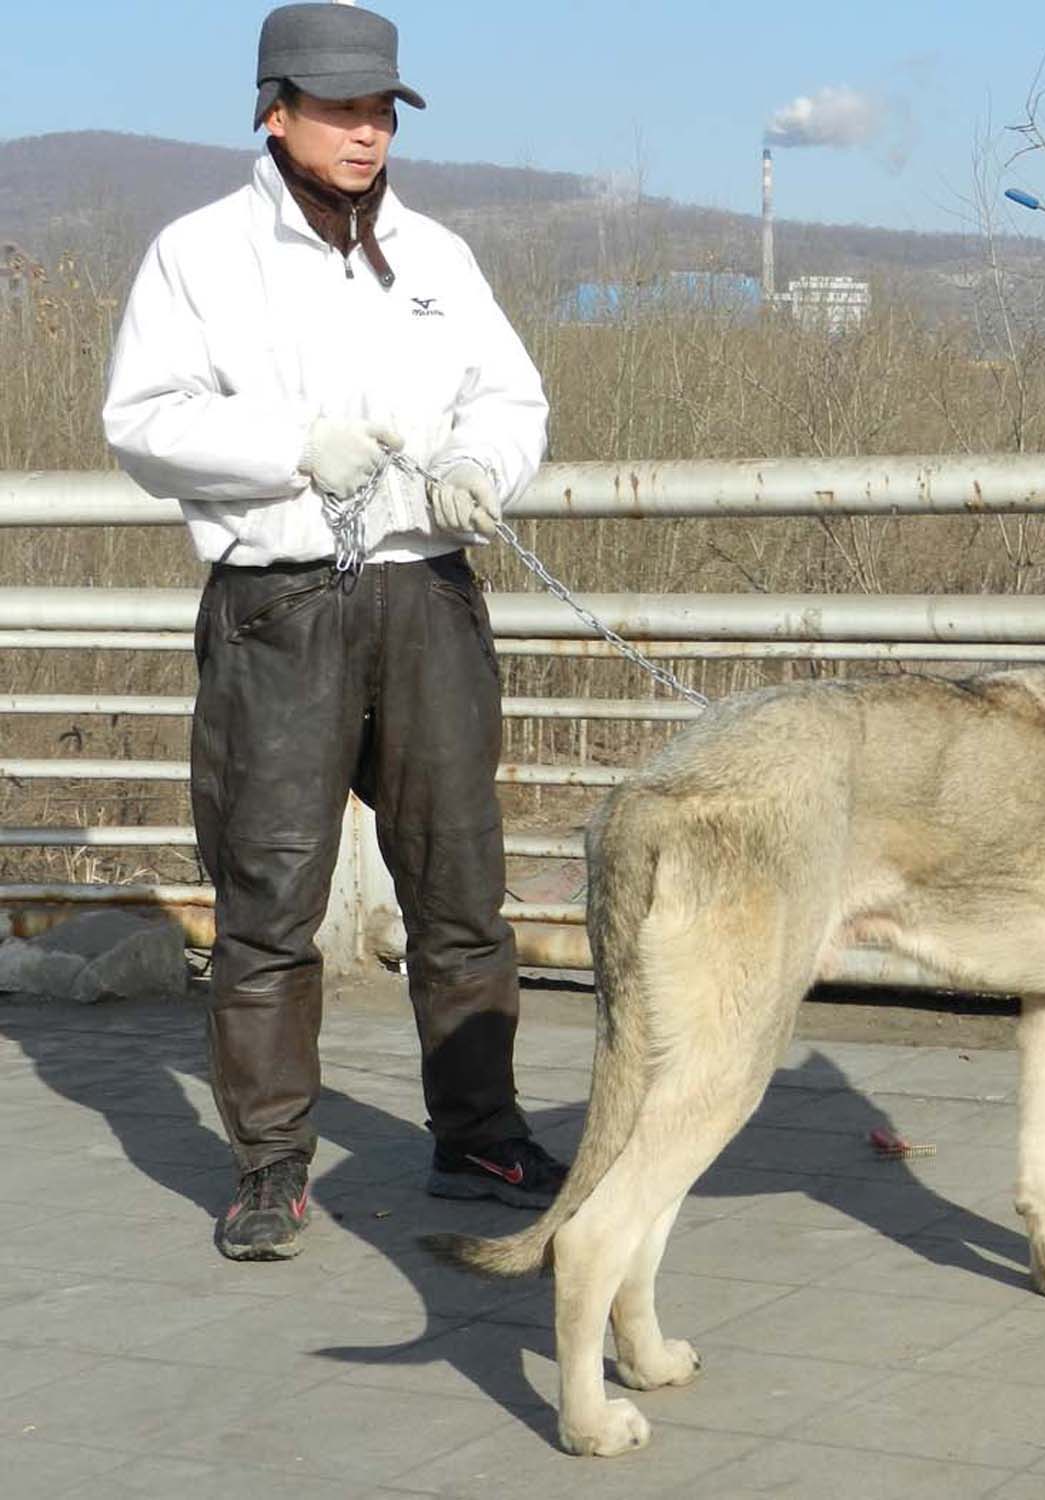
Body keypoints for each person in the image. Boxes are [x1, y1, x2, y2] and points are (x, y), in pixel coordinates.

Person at [102, 2, 567, 1261]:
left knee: (461, 892)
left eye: (380, 111)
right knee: (268, 905)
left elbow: (510, 394)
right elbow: (141, 421)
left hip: (426, 595)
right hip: (281, 606)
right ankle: (268, 1164)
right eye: (342, 109)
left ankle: (479, 1135)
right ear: (275, 110)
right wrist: (285, 448)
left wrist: (480, 463)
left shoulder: (439, 256)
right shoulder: (197, 253)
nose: (366, 134)